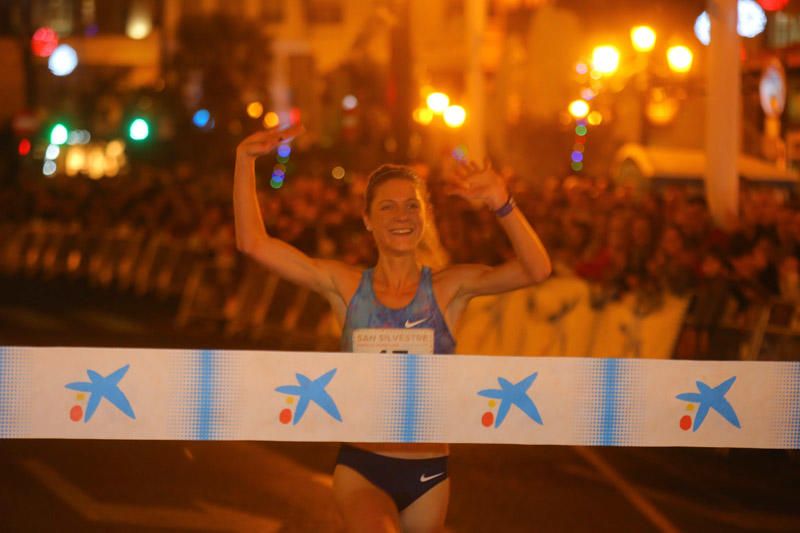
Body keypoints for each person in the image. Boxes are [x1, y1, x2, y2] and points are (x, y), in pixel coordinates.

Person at [234, 125, 552, 532]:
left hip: (430, 472)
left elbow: (537, 269)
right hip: (362, 467)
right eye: (386, 207)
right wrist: (245, 161)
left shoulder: (449, 288)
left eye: (411, 206)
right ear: (367, 220)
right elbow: (254, 243)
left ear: (424, 217)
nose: (401, 216)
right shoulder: (345, 286)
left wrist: (502, 203)